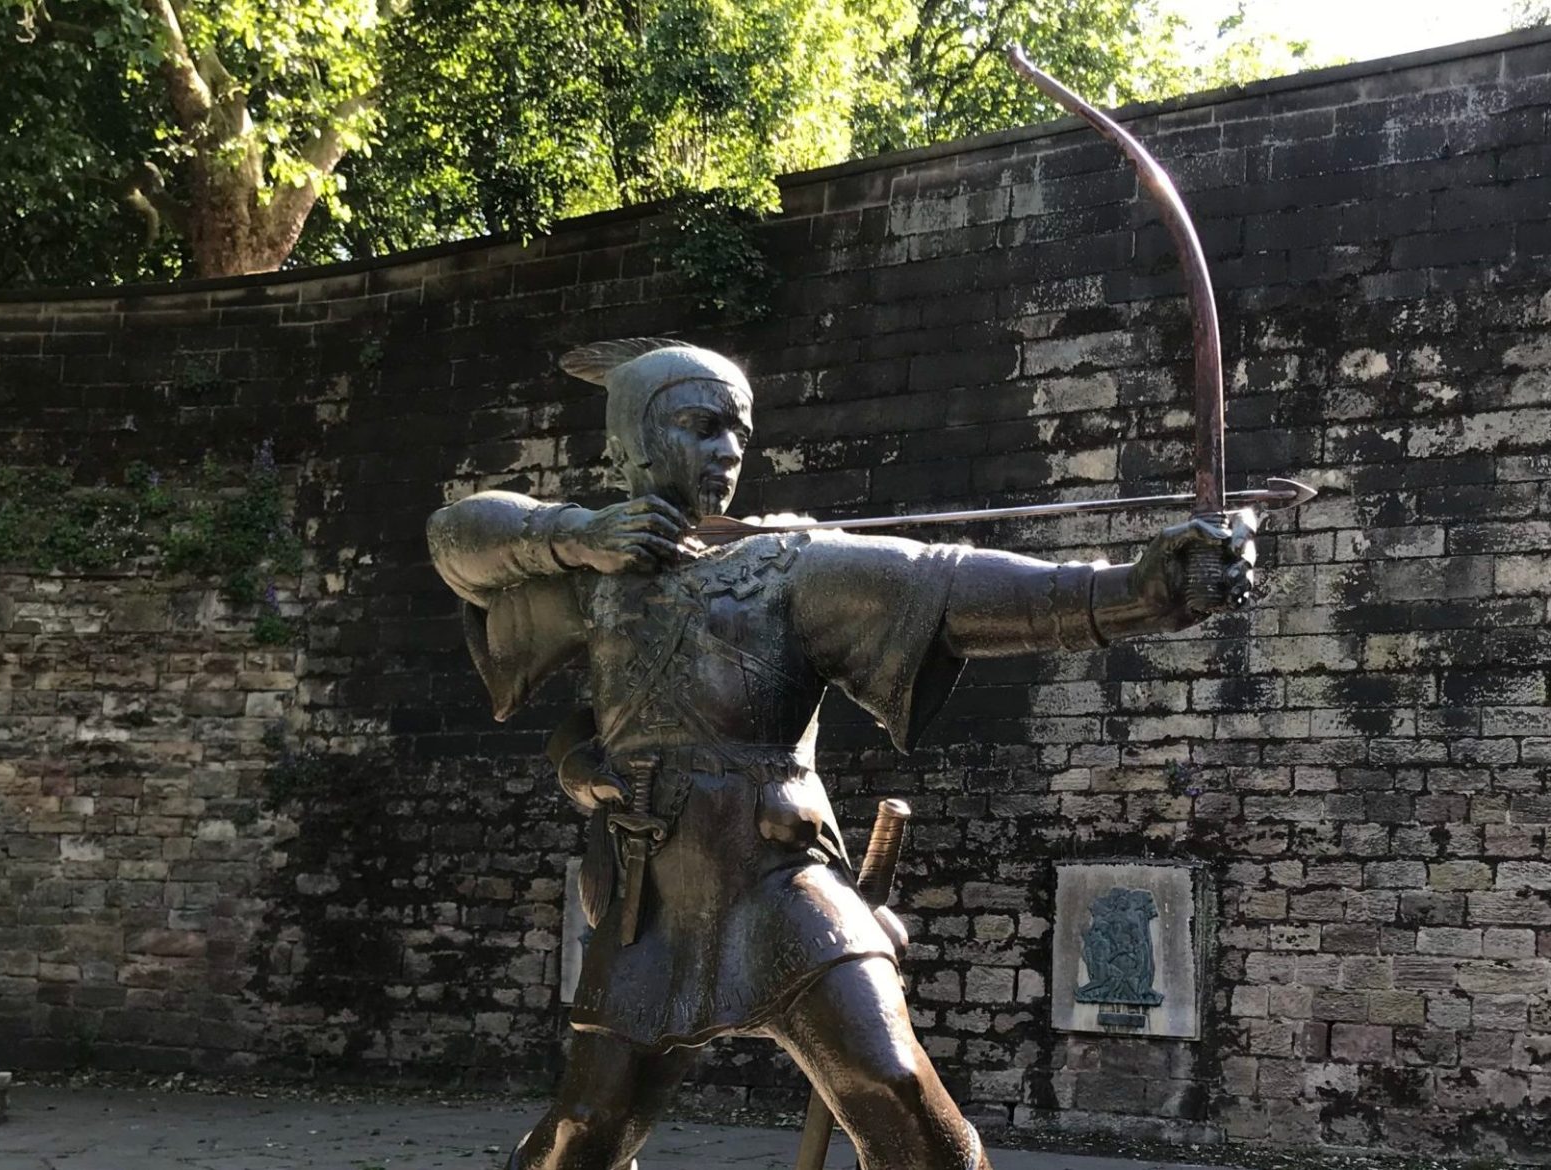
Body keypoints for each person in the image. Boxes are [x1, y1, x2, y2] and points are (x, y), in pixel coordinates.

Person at [426, 338, 1255, 1170]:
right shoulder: (587, 572)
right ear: (630, 442)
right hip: (651, 888)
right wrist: (578, 537)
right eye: (700, 425)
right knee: (586, 1124)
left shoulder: (789, 564)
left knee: (890, 1083)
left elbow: (959, 585)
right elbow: (455, 538)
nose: (725, 452)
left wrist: (1139, 595)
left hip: (779, 876)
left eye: (737, 436)